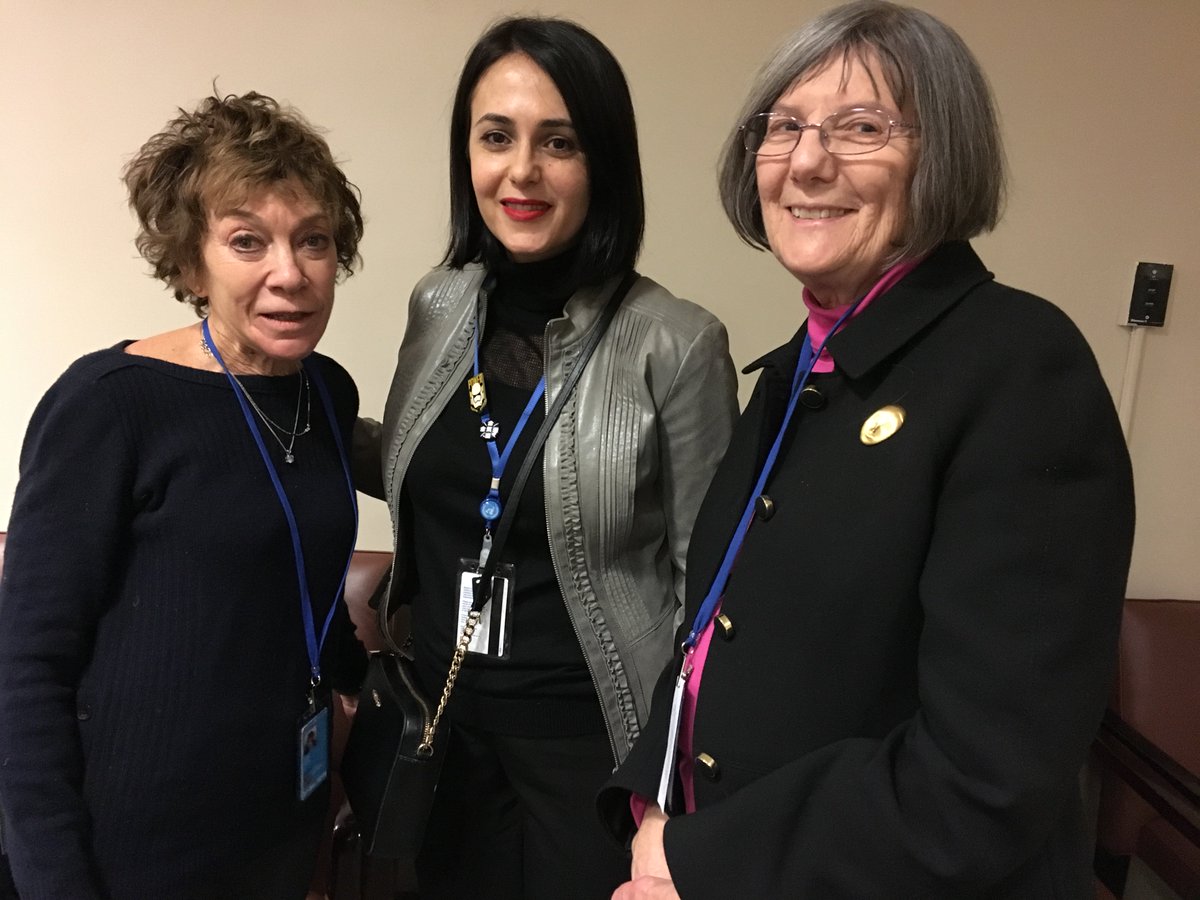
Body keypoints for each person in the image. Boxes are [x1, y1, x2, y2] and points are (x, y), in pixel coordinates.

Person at [600, 2, 1136, 897]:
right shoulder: (795, 372)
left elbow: (984, 779)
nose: (809, 160)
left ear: (943, 153)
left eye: (861, 126)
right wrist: (654, 806)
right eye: (786, 127)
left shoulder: (1021, 370)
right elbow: (713, 637)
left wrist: (701, 862)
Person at [354, 16, 738, 899]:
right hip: (447, 723)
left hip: (594, 747)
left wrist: (672, 799)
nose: (520, 171)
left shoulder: (675, 344)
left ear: (601, 161)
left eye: (556, 142)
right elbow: (448, 469)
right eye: (496, 137)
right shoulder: (439, 306)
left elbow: (710, 593)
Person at [0, 91, 368, 899]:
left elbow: (296, 568)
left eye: (313, 241)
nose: (291, 274)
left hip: (275, 824)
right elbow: (27, 668)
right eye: (248, 241)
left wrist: (349, 689)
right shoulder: (107, 404)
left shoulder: (326, 395)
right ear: (190, 259)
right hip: (129, 848)